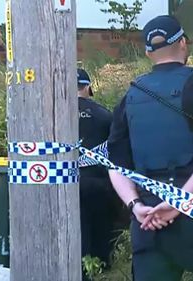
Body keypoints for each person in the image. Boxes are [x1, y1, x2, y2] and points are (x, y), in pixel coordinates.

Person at [106, 15, 193, 281]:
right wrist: (180, 203)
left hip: (148, 220)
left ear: (147, 52)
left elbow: (115, 165)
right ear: (184, 43)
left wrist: (136, 206)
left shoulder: (130, 95)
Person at [77, 68, 117, 280]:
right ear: (87, 87)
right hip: (98, 181)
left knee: (76, 227)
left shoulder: (54, 114)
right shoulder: (104, 114)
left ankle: (79, 269)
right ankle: (102, 264)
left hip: (64, 181)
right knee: (101, 224)